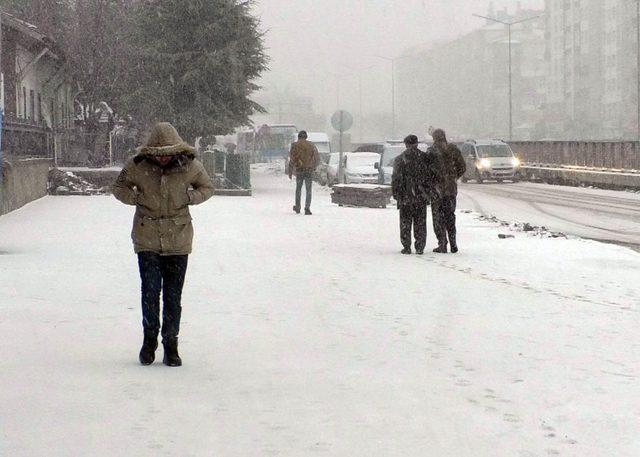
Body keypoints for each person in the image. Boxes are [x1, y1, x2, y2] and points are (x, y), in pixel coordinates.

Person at [112, 122, 214, 367]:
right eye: (159, 153)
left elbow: (207, 187)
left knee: (172, 295)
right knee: (149, 292)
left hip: (178, 239)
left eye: (168, 152)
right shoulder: (138, 166)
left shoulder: (190, 166)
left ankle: (171, 344)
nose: (163, 157)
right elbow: (118, 187)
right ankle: (149, 342)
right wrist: (135, 197)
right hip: (147, 237)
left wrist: (190, 197)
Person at [391, 134, 433, 255]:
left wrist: (396, 194)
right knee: (420, 222)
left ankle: (406, 246)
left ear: (406, 144)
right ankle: (420, 246)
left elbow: (396, 179)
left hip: (405, 197)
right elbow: (430, 177)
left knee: (405, 222)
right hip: (420, 196)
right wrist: (427, 192)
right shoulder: (424, 158)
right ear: (417, 143)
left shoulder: (400, 159)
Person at [428, 128, 466, 253]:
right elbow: (462, 167)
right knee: (450, 216)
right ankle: (453, 242)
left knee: (438, 217)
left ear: (434, 138)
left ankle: (442, 243)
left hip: (437, 190)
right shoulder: (453, 150)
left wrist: (433, 182)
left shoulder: (431, 152)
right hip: (450, 189)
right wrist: (453, 177)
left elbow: (426, 171)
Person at [288, 130, 320, 215]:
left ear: (298, 137)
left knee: (298, 189)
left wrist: (290, 171)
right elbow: (317, 158)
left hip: (300, 170)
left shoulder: (294, 145)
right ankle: (307, 208)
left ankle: (298, 207)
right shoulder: (311, 145)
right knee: (308, 190)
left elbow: (292, 159)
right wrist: (314, 167)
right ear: (306, 137)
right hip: (309, 170)